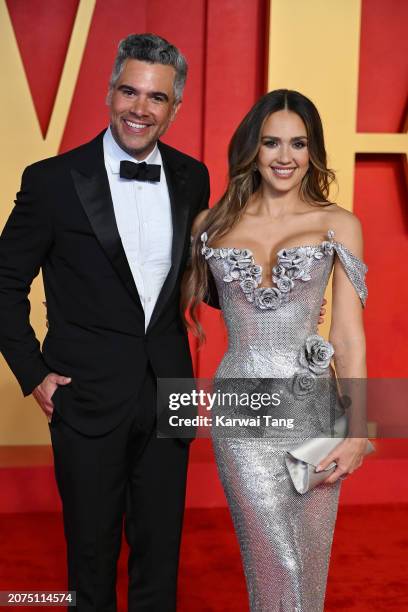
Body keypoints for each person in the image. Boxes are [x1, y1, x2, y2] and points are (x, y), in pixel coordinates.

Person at [0, 34, 211, 611]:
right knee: (89, 558)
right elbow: (4, 282)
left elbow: (201, 278)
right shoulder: (50, 180)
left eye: (156, 98)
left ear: (175, 107)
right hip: (85, 393)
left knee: (160, 552)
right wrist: (33, 372)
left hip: (168, 391)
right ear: (109, 90)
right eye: (129, 91)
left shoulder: (194, 178)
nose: (140, 108)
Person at [184, 89, 370, 611]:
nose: (284, 156)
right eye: (271, 143)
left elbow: (348, 337)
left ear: (313, 152)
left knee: (308, 569)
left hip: (315, 414)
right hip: (241, 414)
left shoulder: (340, 224)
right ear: (252, 149)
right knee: (275, 561)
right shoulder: (210, 226)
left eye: (297, 143)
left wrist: (358, 432)